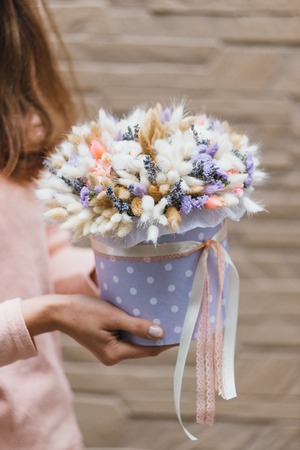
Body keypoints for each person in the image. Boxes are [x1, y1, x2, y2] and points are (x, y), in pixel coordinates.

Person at [0, 1, 168, 449]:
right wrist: (47, 314)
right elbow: (37, 304)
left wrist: (113, 270)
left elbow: (40, 254)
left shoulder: (16, 133)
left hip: (45, 432)